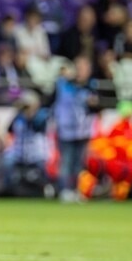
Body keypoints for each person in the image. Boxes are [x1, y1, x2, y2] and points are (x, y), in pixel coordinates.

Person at [52, 57, 98, 202]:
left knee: (80, 164)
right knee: (66, 162)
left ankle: (79, 190)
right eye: (79, 68)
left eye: (84, 68)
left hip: (82, 131)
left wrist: (93, 103)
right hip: (66, 131)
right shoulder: (64, 84)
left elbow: (95, 108)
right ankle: (65, 190)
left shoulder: (90, 87)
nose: (81, 71)